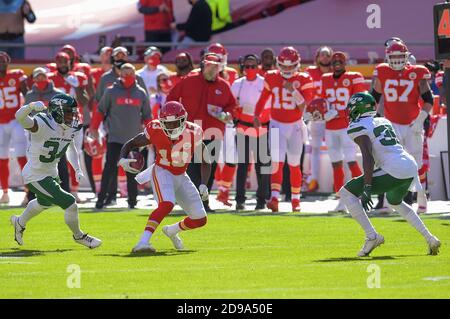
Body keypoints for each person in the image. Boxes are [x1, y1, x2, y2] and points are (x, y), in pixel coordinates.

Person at [340, 92, 440, 257]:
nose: (349, 111)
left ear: (357, 109)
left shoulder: (356, 126)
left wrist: (367, 186)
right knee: (395, 201)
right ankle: (430, 238)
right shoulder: (383, 120)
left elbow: (367, 156)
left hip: (394, 168)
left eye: (351, 108)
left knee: (346, 192)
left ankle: (372, 236)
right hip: (408, 164)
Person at [10, 94, 102, 249]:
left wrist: (77, 169)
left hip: (51, 173)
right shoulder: (42, 123)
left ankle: (19, 221)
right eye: (68, 112)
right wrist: (31, 106)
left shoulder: (69, 128)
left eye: (73, 112)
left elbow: (70, 148)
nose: (72, 116)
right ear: (57, 111)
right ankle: (79, 236)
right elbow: (20, 116)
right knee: (70, 203)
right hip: (35, 174)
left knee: (43, 203)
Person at [119, 101, 211, 253]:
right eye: (167, 124)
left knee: (200, 219)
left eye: (175, 123)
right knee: (167, 204)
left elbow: (205, 158)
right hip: (162, 170)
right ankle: (143, 242)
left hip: (181, 174)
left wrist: (204, 184)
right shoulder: (155, 129)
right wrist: (122, 159)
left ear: (183, 120)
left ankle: (172, 230)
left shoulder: (194, 131)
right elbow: (131, 143)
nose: (171, 127)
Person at [167, 53, 237, 212]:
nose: (212, 68)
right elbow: (171, 98)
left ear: (220, 68)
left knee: (209, 170)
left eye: (215, 66)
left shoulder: (224, 86)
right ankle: (190, 203)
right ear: (203, 65)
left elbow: (232, 105)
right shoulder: (189, 80)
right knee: (191, 170)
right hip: (189, 133)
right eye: (209, 65)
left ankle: (204, 203)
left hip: (213, 133)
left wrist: (227, 114)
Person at [371, 41, 433, 214]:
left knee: (417, 163)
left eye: (400, 56)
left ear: (407, 57)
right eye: (394, 56)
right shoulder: (383, 71)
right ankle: (384, 202)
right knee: (386, 161)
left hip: (413, 123)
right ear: (387, 57)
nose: (397, 60)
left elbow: (429, 100)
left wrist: (421, 119)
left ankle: (421, 199)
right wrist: (372, 118)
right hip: (391, 124)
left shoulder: (417, 72)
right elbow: (374, 98)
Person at [253, 47, 315, 212]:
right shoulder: (271, 76)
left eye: (290, 66)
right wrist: (257, 115)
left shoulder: (304, 78)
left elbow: (305, 106)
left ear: (297, 64)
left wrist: (293, 91)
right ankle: (274, 198)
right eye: (284, 66)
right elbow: (262, 98)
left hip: (295, 124)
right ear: (278, 64)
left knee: (294, 164)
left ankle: (295, 200)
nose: (287, 69)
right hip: (276, 124)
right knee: (277, 162)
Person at [90, 64, 152, 209]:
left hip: (134, 140)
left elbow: (147, 116)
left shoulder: (141, 93)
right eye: (125, 73)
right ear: (120, 75)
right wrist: (93, 127)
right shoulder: (111, 91)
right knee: (109, 169)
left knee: (133, 170)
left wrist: (151, 136)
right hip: (115, 138)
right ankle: (101, 200)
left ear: (135, 75)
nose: (128, 76)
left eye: (131, 73)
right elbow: (100, 110)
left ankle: (132, 201)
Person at [320, 51, 365, 212]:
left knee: (351, 161)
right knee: (336, 164)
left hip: (347, 126)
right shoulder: (325, 79)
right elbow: (322, 101)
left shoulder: (353, 77)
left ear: (345, 63)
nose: (337, 64)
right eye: (335, 61)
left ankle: (362, 195)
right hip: (330, 127)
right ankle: (341, 200)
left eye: (340, 61)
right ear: (331, 64)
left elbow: (360, 102)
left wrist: (339, 113)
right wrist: (319, 112)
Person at [233, 54, 271, 210]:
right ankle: (239, 199)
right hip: (242, 127)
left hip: (261, 126)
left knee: (262, 165)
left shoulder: (264, 83)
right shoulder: (237, 84)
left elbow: (269, 104)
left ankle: (262, 199)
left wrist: (259, 118)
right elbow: (232, 104)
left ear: (258, 66)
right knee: (242, 165)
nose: (250, 69)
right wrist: (237, 113)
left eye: (253, 66)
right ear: (243, 67)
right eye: (247, 66)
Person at [0, 50, 28, 204]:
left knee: (22, 156)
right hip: (0, 124)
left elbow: (27, 94)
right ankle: (4, 192)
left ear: (8, 63)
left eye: (3, 61)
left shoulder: (16, 75)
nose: (1, 64)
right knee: (1, 159)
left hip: (15, 121)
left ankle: (28, 192)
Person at [304, 46, 333, 192]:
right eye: (323, 55)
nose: (325, 58)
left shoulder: (336, 73)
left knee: (336, 148)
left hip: (332, 115)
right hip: (315, 116)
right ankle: (313, 179)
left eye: (327, 55)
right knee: (315, 148)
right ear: (317, 57)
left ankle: (337, 180)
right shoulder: (309, 72)